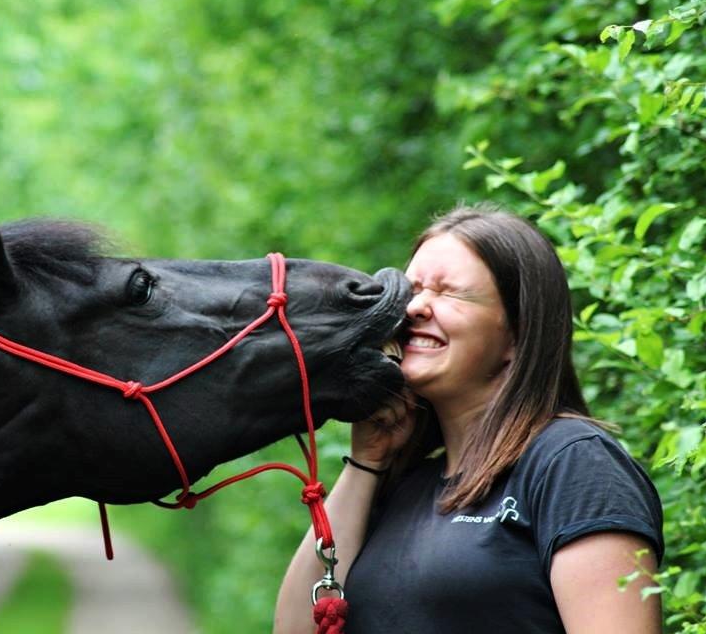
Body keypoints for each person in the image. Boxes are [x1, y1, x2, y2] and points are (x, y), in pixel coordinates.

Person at [274, 206, 664, 633]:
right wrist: (367, 463)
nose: (415, 307)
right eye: (412, 290)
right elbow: (297, 628)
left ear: (516, 334)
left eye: (448, 292)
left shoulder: (573, 464)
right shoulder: (402, 486)